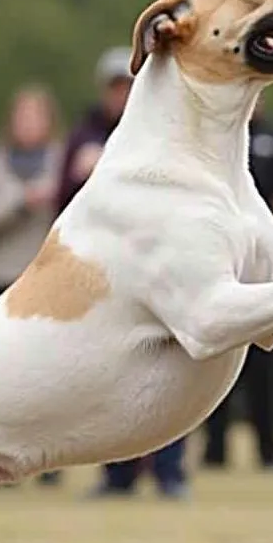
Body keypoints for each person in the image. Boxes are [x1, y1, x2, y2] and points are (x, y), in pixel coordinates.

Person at [70, 48, 187, 499]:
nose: (123, 94)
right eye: (116, 86)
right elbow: (66, 199)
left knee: (173, 376)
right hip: (110, 277)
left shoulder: (167, 136)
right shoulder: (84, 136)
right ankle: (116, 476)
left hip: (162, 270)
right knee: (111, 378)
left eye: (129, 85)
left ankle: (171, 473)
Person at [0, 83, 63, 485]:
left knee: (54, 375)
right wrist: (22, 203)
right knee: (6, 377)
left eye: (36, 116)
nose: (29, 124)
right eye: (22, 116)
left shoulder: (62, 162)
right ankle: (2, 462)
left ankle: (51, 460)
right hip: (4, 279)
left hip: (51, 280)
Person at [202, 94, 273, 470]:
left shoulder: (272, 138)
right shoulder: (211, 139)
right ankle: (214, 449)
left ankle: (269, 447)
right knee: (216, 362)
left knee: (262, 366)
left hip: (259, 261)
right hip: (219, 258)